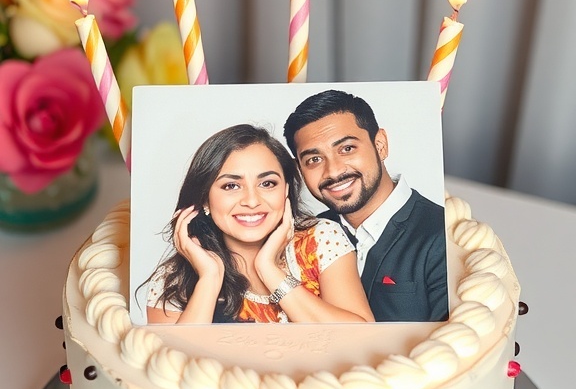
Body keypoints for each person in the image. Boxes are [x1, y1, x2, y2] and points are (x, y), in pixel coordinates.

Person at [146, 123, 373, 325]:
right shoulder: (173, 280)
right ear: (205, 198)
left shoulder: (320, 240)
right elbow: (175, 365)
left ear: (286, 190)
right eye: (231, 186)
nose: (252, 201)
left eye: (267, 183)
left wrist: (269, 269)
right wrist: (209, 279)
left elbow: (359, 339)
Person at [283, 89, 449, 323]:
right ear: (299, 169)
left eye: (347, 149)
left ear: (380, 145)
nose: (334, 171)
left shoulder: (443, 235)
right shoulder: (307, 237)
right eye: (314, 159)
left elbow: (455, 347)